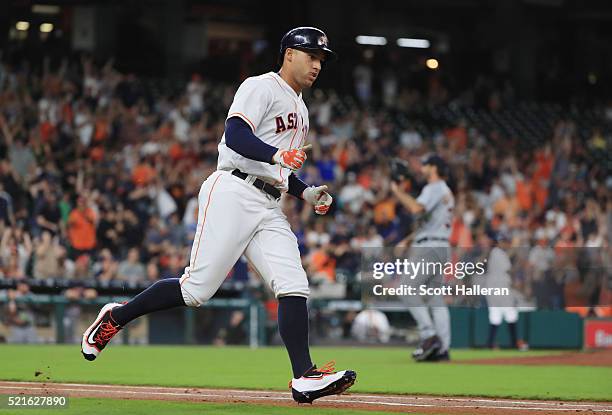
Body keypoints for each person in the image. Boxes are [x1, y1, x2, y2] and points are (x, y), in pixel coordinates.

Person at [81, 27, 356, 404]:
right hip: (233, 191)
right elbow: (236, 135)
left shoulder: (302, 109)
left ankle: (303, 377)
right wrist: (277, 157)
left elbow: (281, 170)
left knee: (294, 283)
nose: (317, 65)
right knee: (196, 290)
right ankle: (116, 317)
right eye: (311, 56)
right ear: (289, 53)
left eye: (322, 60)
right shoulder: (260, 86)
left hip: (269, 203)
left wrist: (305, 191)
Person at [390, 154, 454, 362]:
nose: (423, 167)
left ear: (434, 167)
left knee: (406, 288)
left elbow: (417, 208)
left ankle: (429, 336)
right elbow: (428, 222)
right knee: (434, 298)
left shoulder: (434, 187)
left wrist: (398, 192)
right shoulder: (445, 191)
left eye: (426, 164)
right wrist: (408, 240)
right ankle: (443, 348)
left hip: (428, 246)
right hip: (441, 245)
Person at [485, 232, 528, 350]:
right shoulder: (497, 252)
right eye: (503, 241)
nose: (505, 243)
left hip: (494, 288)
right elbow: (509, 270)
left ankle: (490, 343)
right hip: (499, 287)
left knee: (496, 315)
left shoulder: (497, 253)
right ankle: (514, 343)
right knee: (510, 314)